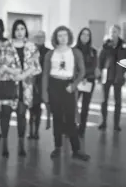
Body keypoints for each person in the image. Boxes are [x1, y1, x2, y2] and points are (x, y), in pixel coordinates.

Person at [41, 25, 90, 161]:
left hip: (68, 86)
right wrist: (44, 94)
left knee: (70, 119)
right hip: (54, 85)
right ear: (56, 37)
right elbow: (45, 74)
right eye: (60, 35)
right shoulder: (50, 54)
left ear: (69, 37)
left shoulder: (75, 53)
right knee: (56, 118)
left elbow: (82, 72)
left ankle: (76, 150)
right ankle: (57, 147)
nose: (62, 38)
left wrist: (73, 86)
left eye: (65, 35)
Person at [0, 19, 41, 158]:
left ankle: (21, 146)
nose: (20, 32)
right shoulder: (5, 46)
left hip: (24, 87)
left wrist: (23, 75)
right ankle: (4, 146)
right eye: (17, 29)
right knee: (5, 116)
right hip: (7, 85)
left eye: (22, 29)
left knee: (21, 117)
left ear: (25, 30)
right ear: (13, 31)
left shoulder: (32, 47)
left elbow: (37, 68)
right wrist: (11, 71)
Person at [98, 25, 126, 131]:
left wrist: (123, 72)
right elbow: (100, 60)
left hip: (118, 76)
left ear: (119, 33)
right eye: (111, 32)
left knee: (118, 101)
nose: (113, 34)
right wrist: (100, 71)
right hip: (106, 75)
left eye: (115, 32)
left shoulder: (124, 45)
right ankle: (103, 122)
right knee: (104, 100)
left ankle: (116, 124)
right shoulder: (106, 44)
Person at [74, 27, 99, 138]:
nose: (85, 36)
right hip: (77, 81)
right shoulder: (74, 50)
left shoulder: (93, 51)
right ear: (79, 36)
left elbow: (93, 66)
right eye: (83, 34)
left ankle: (82, 129)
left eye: (87, 35)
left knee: (85, 106)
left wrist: (84, 74)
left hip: (89, 81)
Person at [28, 30, 50, 140]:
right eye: (37, 36)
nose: (39, 38)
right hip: (31, 81)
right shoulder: (30, 50)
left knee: (38, 108)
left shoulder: (49, 52)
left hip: (42, 84)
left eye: (41, 37)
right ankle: (30, 130)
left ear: (45, 38)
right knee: (31, 108)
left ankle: (36, 131)